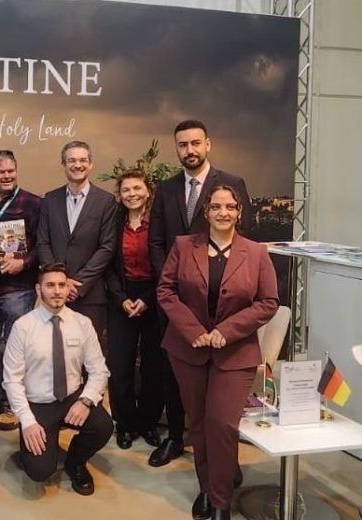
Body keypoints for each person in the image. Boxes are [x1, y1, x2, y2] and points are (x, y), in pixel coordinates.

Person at [157, 185, 278, 520]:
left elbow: (268, 302)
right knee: (198, 423)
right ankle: (207, 489)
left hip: (236, 353)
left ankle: (221, 501)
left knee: (222, 424)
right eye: (215, 207)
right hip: (188, 350)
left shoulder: (256, 252)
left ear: (239, 212)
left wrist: (227, 331)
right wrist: (193, 331)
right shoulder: (184, 246)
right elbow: (166, 290)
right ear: (206, 212)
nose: (223, 212)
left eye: (229, 207)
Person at [147, 120, 254, 467]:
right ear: (176, 148)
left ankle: (220, 452)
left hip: (222, 305)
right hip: (177, 303)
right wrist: (173, 283)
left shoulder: (232, 184)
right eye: (183, 145)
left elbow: (246, 239)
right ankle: (176, 437)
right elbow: (156, 242)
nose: (189, 150)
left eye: (195, 143)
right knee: (174, 372)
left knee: (218, 379)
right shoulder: (166, 189)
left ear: (208, 144)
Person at [3, 263, 113, 496]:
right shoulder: (23, 327)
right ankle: (33, 444)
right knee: (40, 471)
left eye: (62, 285)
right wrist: (28, 421)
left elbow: (99, 370)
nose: (56, 291)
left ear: (68, 289)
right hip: (38, 403)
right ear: (38, 289)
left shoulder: (82, 323)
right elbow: (12, 380)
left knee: (103, 426)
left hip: (72, 397)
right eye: (50, 285)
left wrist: (85, 401)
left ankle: (75, 462)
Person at [0, 150, 43, 431]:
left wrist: (22, 262)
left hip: (18, 289)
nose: (7, 176)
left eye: (11, 171)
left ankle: (15, 405)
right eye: (1, 172)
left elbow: (42, 245)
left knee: (17, 349)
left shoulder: (34, 203)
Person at [36, 141, 118, 346]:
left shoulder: (106, 201)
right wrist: (60, 282)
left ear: (90, 164)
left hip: (90, 295)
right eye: (71, 160)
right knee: (53, 352)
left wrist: (77, 284)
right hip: (53, 295)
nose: (77, 165)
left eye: (82, 160)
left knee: (89, 354)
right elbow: (43, 242)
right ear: (64, 165)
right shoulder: (49, 200)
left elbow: (107, 247)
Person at [105, 168, 164, 450]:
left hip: (155, 297)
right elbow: (107, 263)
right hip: (122, 297)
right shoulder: (113, 222)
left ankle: (149, 423)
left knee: (154, 366)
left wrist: (148, 299)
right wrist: (120, 298)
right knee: (120, 366)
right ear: (119, 194)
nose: (132, 194)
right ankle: (125, 424)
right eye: (126, 190)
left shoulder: (159, 223)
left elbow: (169, 264)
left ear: (148, 191)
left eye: (137, 188)